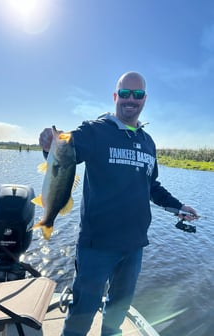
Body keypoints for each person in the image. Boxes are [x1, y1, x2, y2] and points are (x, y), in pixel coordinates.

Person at [39, 71, 198, 336]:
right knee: (82, 314)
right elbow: (65, 155)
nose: (130, 100)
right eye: (125, 93)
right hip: (96, 246)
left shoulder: (148, 142)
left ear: (144, 99)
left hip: (134, 246)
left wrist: (178, 207)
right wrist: (47, 144)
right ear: (115, 97)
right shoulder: (95, 131)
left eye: (137, 95)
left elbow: (151, 186)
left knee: (117, 313)